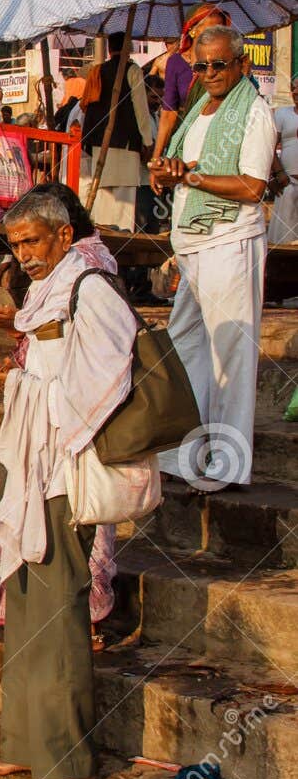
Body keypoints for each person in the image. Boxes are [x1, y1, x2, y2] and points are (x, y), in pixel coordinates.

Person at [0, 189, 139, 779]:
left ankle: (69, 757)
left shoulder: (91, 286)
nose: (23, 256)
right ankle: (27, 744)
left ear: (64, 235)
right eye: (15, 245)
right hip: (33, 467)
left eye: (32, 242)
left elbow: (111, 376)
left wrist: (43, 404)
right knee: (24, 607)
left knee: (57, 612)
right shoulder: (50, 289)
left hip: (64, 470)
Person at [150, 25, 274, 489]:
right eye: (201, 66)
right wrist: (166, 173)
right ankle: (184, 453)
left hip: (229, 241)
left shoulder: (255, 112)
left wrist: (193, 179)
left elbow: (252, 187)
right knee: (185, 346)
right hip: (193, 243)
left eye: (220, 64)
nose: (210, 73)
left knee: (231, 353)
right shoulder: (199, 109)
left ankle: (228, 461)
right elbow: (185, 167)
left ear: (241, 65)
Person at [78, 33, 154, 232]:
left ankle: (105, 236)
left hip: (99, 142)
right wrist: (147, 141)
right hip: (126, 142)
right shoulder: (132, 70)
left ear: (110, 49)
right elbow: (141, 108)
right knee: (123, 199)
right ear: (128, 48)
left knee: (103, 195)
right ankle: (119, 238)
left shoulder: (97, 71)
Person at [152, 5, 232, 161]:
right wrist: (157, 157)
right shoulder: (176, 63)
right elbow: (168, 113)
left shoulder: (226, 63)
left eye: (221, 31)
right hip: (186, 142)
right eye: (211, 31)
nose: (216, 37)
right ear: (192, 30)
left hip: (221, 142)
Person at [269, 72, 298, 245]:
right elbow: (269, 147)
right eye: (294, 90)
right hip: (288, 183)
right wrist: (277, 174)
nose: (296, 93)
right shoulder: (282, 114)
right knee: (284, 241)